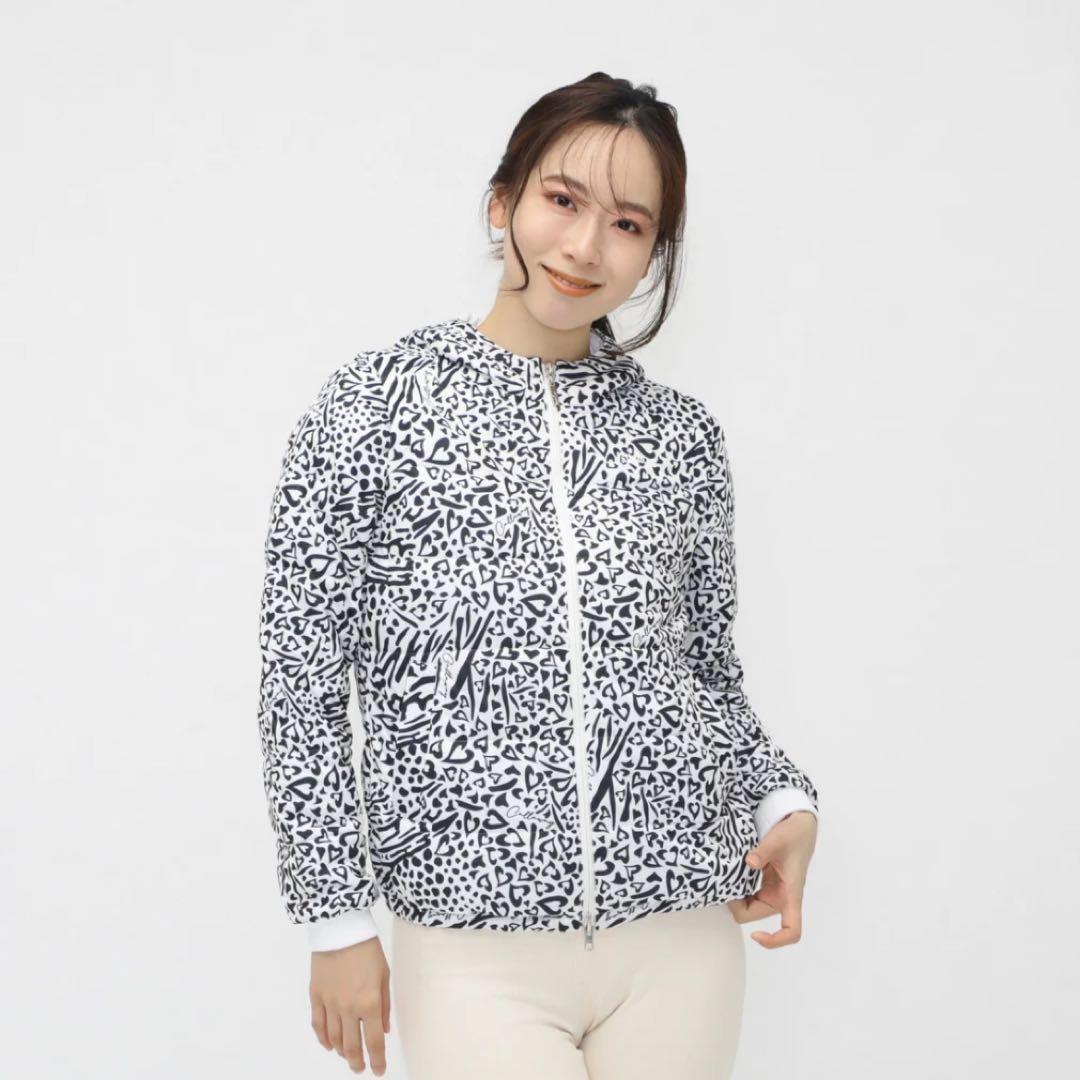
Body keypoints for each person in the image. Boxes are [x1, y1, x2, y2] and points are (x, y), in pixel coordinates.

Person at [257, 72, 820, 1080]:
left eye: (628, 223)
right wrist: (334, 920)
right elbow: (300, 679)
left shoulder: (681, 439)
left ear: (653, 252)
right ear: (502, 201)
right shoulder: (374, 408)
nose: (586, 246)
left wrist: (781, 799)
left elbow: (705, 668)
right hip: (473, 950)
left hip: (681, 937)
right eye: (563, 200)